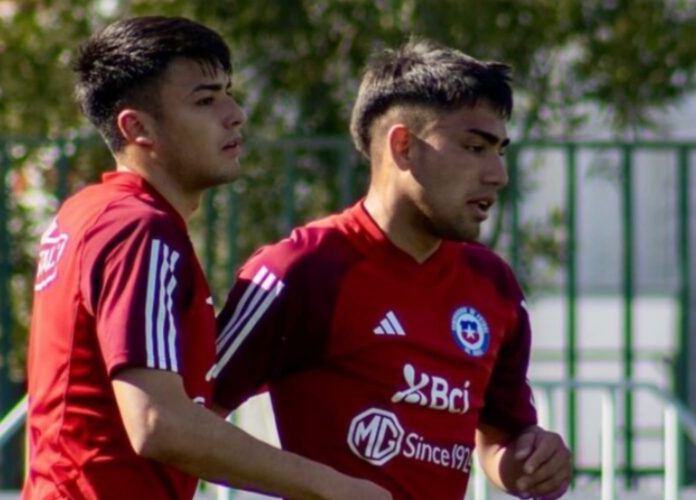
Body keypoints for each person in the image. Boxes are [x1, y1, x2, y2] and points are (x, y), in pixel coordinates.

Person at [23, 15, 391, 500]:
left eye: (228, 92)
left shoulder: (88, 213)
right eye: (205, 100)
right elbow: (158, 422)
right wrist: (332, 488)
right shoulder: (139, 228)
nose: (234, 113)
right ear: (137, 128)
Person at [210, 39, 572, 500]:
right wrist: (323, 487)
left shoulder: (492, 285)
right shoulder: (302, 270)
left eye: (499, 150)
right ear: (403, 146)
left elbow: (500, 439)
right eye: (475, 147)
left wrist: (530, 461)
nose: (497, 173)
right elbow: (188, 421)